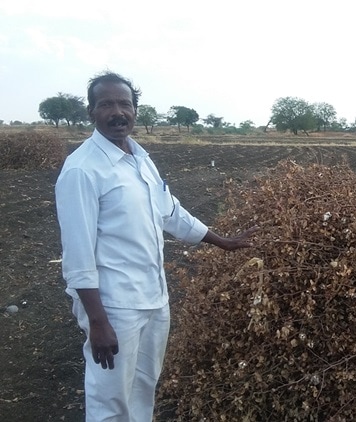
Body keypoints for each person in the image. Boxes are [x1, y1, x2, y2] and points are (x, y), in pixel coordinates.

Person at [55, 71, 253, 421]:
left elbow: (170, 211)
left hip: (153, 297)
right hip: (115, 306)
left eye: (125, 104)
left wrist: (222, 241)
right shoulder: (82, 171)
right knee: (110, 399)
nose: (118, 112)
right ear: (91, 112)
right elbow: (78, 255)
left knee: (144, 386)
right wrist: (98, 322)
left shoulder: (139, 158)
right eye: (106, 104)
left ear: (135, 110)